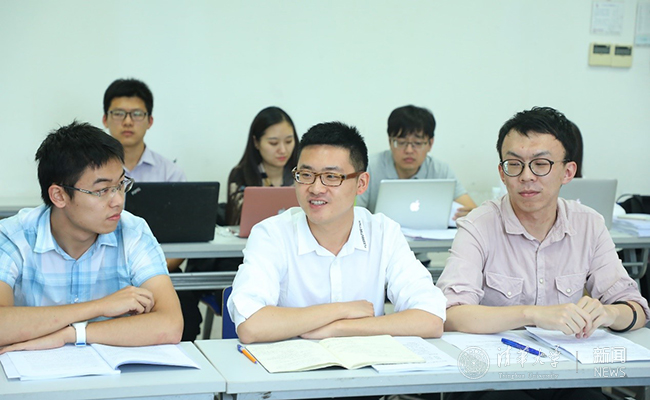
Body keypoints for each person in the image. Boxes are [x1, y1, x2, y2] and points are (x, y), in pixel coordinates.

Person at [437, 107, 648, 400]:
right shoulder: (479, 225)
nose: (526, 176)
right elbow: (451, 314)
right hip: (492, 377)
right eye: (514, 164)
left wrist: (608, 313)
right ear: (502, 172)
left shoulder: (588, 224)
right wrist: (534, 315)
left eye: (541, 164)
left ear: (568, 172)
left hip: (567, 374)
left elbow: (636, 310)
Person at [228, 121, 446, 344]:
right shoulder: (272, 234)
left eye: (331, 177)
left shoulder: (383, 232)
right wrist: (341, 310)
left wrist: (340, 328)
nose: (315, 188)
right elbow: (251, 325)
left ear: (361, 183)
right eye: (306, 174)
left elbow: (431, 318)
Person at [0, 122, 182, 352]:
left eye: (120, 185)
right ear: (59, 196)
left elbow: (170, 324)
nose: (118, 201)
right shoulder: (13, 236)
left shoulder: (132, 231)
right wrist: (99, 307)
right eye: (102, 190)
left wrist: (72, 334)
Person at [102, 78, 196, 341]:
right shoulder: (91, 175)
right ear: (105, 119)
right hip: (103, 271)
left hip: (161, 269)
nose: (127, 122)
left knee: (187, 314)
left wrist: (150, 271)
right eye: (119, 114)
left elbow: (183, 238)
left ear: (150, 121)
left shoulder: (170, 173)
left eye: (137, 114)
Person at [356, 105, 476, 219]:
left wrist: (470, 215)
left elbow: (472, 210)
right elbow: (354, 213)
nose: (409, 150)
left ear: (430, 144)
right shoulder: (369, 167)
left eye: (417, 143)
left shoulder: (440, 170)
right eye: (401, 142)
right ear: (390, 142)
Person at [225, 106, 299, 225]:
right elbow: (237, 222)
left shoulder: (303, 174)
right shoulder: (241, 175)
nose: (283, 150)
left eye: (288, 141)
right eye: (273, 143)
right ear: (256, 142)